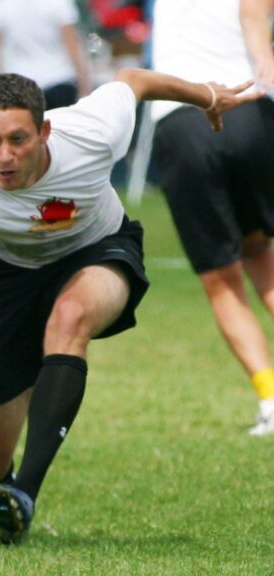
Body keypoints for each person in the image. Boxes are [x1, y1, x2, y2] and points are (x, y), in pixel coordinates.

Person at [0, 70, 260, 544]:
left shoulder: (92, 132)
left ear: (44, 131)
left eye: (18, 139)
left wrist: (206, 97)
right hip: (9, 277)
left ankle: (24, 494)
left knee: (70, 317)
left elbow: (135, 80)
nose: (5, 155)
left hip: (100, 249)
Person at [150, 0, 274, 435]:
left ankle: (271, 401)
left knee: (222, 280)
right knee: (260, 253)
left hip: (180, 119)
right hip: (249, 106)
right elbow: (254, 13)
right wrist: (264, 59)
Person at [0, 0, 91, 110]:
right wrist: (84, 82)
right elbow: (71, 44)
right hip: (58, 79)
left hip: (19, 83)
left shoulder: (1, 5)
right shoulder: (59, 3)